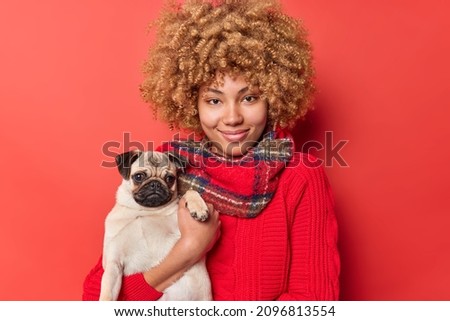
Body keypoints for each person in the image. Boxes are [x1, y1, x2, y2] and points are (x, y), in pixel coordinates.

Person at [83, 0, 340, 301]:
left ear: (275, 96)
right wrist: (188, 251)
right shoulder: (169, 165)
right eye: (214, 100)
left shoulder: (300, 177)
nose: (232, 117)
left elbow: (314, 302)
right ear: (192, 102)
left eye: (249, 98)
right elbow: (95, 297)